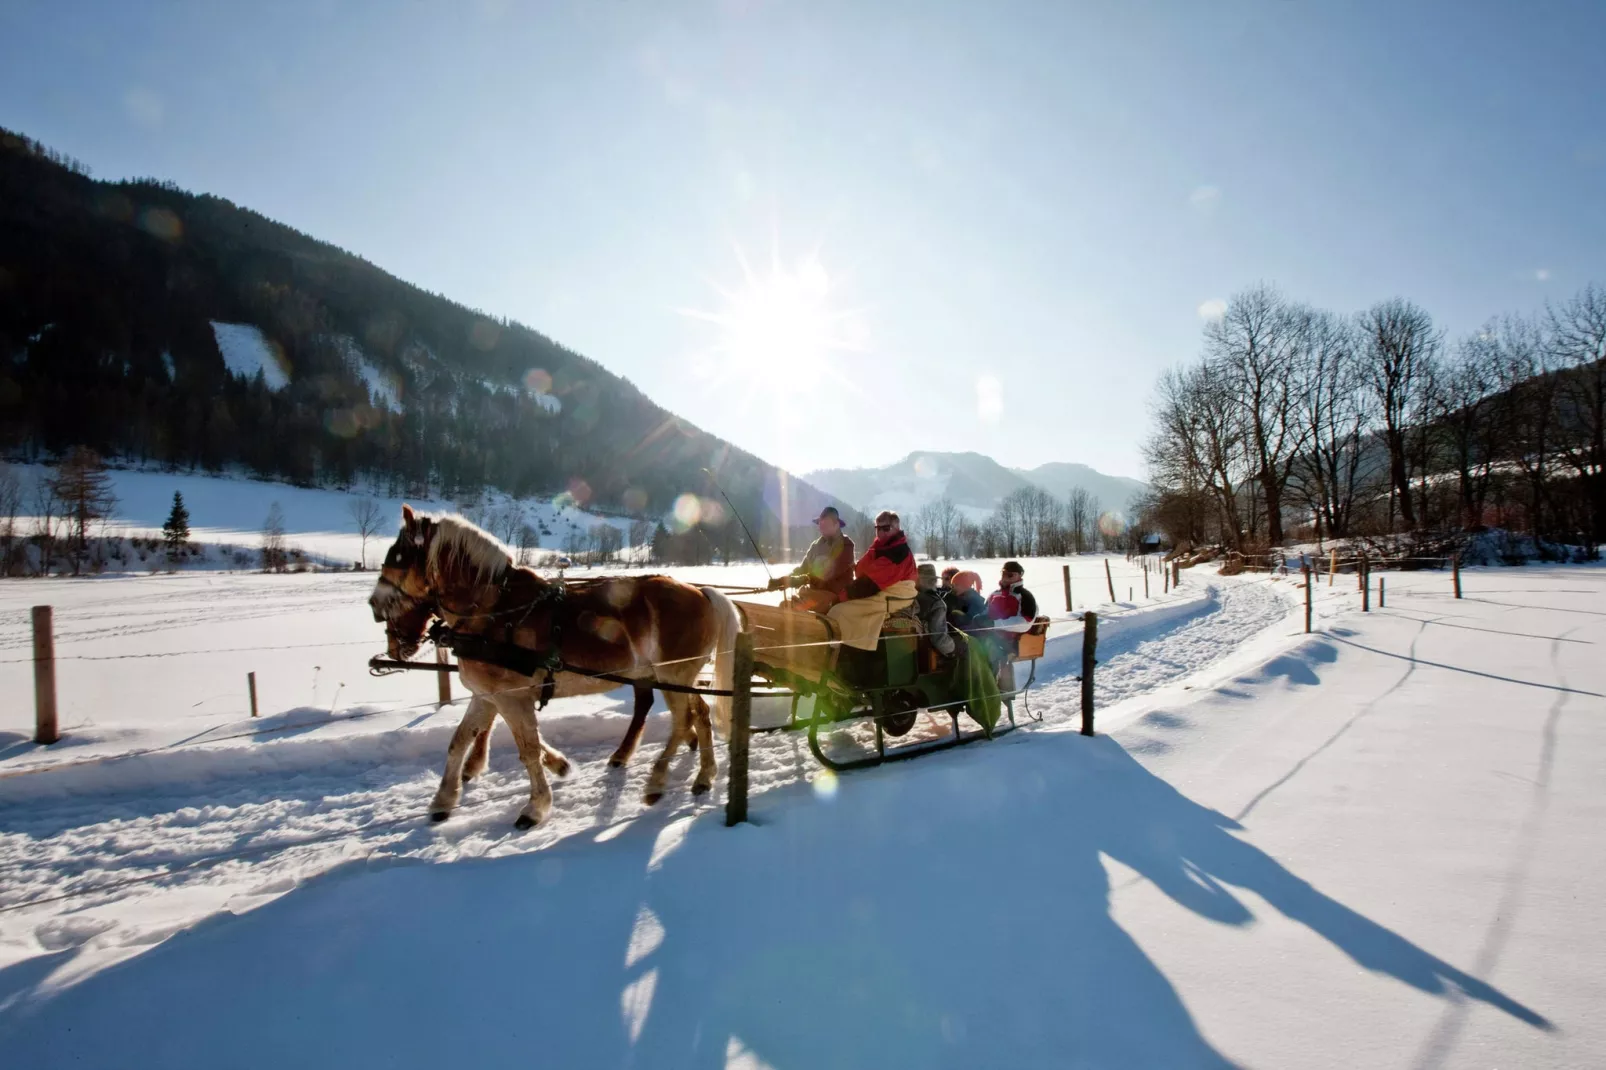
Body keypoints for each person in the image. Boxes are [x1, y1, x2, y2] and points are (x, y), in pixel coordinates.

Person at [826, 509, 918, 652]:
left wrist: (842, 596)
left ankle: (844, 654)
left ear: (896, 528)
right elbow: (864, 570)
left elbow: (870, 584)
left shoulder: (897, 553)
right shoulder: (880, 546)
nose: (881, 532)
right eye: (877, 528)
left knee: (839, 612)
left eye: (885, 528)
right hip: (881, 589)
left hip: (894, 595)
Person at [768, 506, 855, 614]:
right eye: (820, 524)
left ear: (836, 525)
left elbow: (827, 573)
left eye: (826, 524)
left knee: (795, 611)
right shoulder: (815, 545)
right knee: (784, 606)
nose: (822, 527)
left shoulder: (846, 546)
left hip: (835, 596)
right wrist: (783, 580)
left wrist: (798, 580)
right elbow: (803, 569)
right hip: (813, 594)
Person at [913, 563, 955, 657]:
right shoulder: (937, 603)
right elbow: (939, 638)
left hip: (912, 646)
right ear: (934, 581)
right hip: (926, 651)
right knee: (965, 645)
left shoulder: (908, 597)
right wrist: (952, 648)